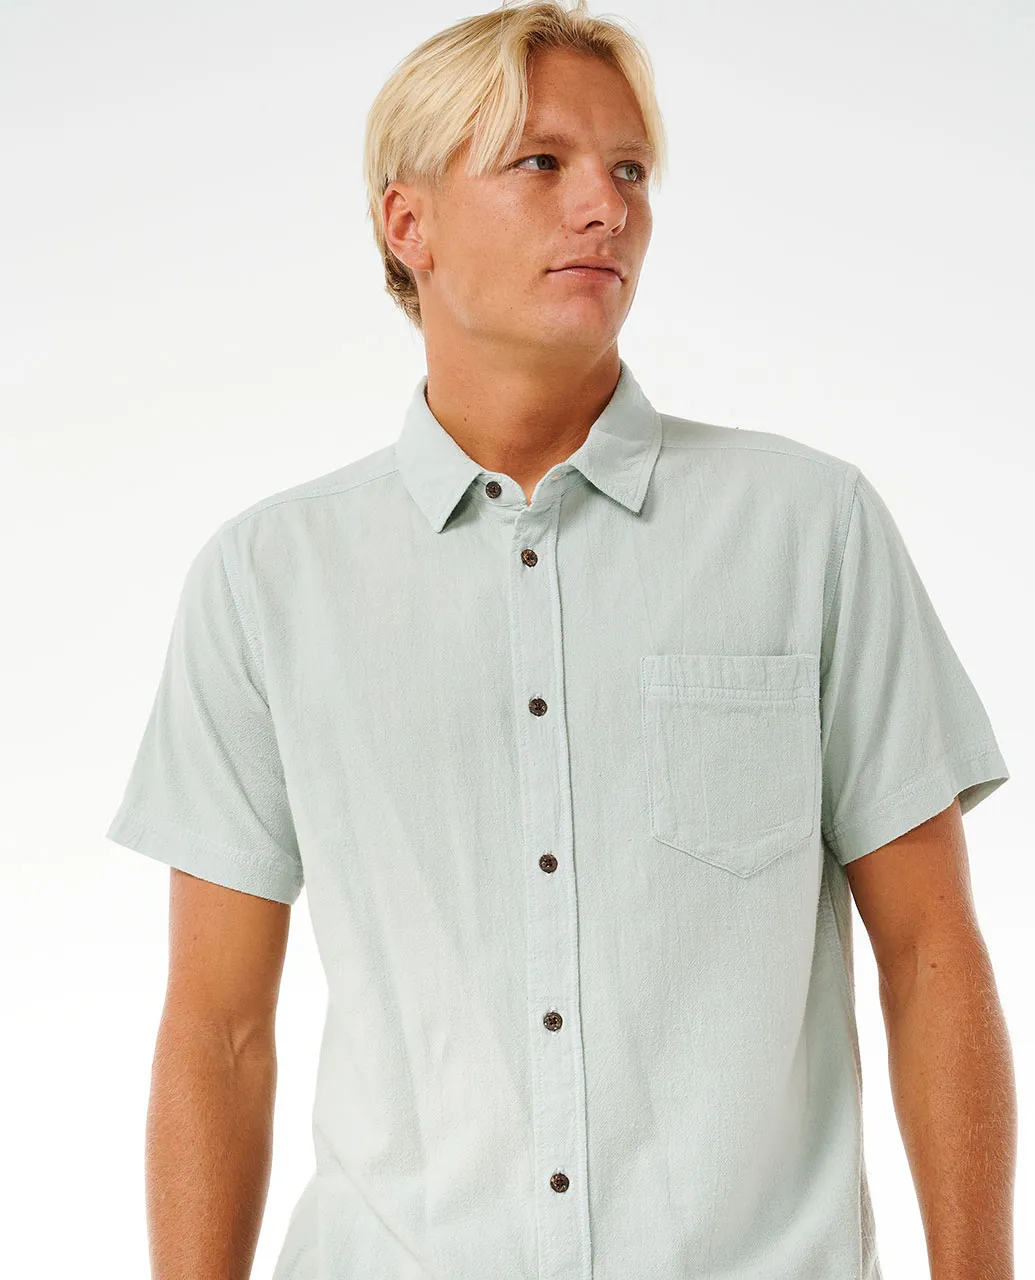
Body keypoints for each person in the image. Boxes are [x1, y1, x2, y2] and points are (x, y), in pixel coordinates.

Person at [105, 2, 1017, 1277]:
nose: (607, 207)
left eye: (629, 170)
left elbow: (930, 954)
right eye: (542, 163)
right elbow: (219, 1030)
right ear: (408, 223)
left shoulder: (812, 529)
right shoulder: (266, 580)